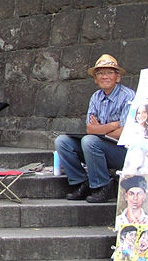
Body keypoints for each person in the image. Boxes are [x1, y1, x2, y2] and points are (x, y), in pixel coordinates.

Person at [55, 54, 135, 203]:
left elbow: (125, 132)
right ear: (95, 79)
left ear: (117, 77)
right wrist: (113, 125)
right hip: (97, 147)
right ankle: (81, 182)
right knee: (62, 141)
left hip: (122, 151)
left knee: (90, 141)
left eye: (109, 72)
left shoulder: (128, 96)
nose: (105, 76)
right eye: (100, 73)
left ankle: (102, 186)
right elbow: (90, 129)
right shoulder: (96, 97)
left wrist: (101, 128)